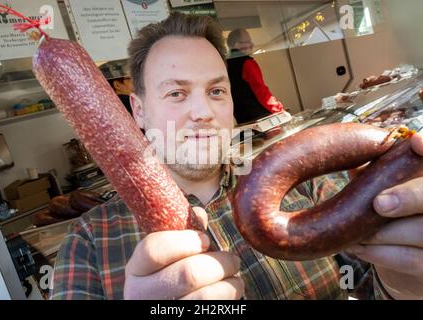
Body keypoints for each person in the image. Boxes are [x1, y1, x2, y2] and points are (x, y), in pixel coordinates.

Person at [51, 13, 423, 300]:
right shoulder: (88, 242)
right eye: (177, 94)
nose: (203, 112)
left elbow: (370, 286)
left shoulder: (308, 188)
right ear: (139, 110)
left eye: (216, 91)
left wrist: (404, 281)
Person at [226, 28, 286, 124]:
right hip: (261, 120)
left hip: (243, 121)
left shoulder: (226, 65)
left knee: (249, 139)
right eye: (248, 41)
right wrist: (280, 111)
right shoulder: (247, 63)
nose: (252, 44)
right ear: (237, 45)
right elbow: (261, 92)